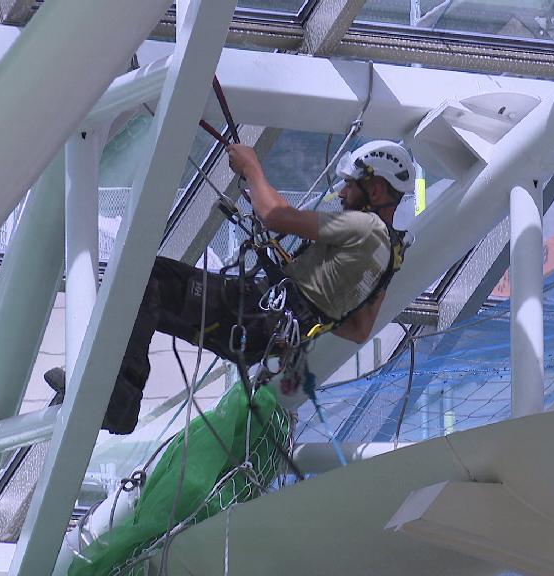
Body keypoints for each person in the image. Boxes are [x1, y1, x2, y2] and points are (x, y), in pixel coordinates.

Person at [46, 140, 415, 434]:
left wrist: (251, 166)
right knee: (152, 300)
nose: (344, 192)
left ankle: (119, 403)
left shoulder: (364, 227)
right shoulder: (390, 256)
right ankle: (101, 392)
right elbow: (358, 329)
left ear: (378, 190)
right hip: (264, 339)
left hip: (253, 315)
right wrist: (315, 288)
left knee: (149, 279)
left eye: (352, 184)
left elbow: (274, 216)